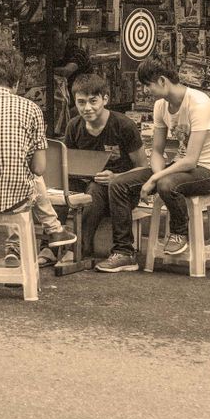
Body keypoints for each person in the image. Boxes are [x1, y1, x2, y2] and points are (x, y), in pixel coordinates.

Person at [0, 44, 76, 267]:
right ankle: (53, 229)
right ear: (18, 82)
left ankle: (15, 247)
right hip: (16, 193)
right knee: (28, 178)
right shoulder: (31, 109)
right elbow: (39, 168)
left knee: (12, 175)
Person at [123, 56, 210, 258]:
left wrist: (156, 178)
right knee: (121, 183)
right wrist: (157, 174)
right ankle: (122, 249)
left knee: (166, 184)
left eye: (148, 85)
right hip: (179, 168)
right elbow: (157, 151)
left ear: (163, 81)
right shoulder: (160, 106)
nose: (146, 90)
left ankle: (179, 232)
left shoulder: (199, 103)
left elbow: (191, 160)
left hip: (209, 172)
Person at [60, 73, 150, 272]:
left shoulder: (123, 125)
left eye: (93, 101)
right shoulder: (74, 126)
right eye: (81, 102)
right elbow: (69, 165)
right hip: (86, 186)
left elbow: (144, 168)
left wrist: (116, 177)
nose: (87, 108)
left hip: (120, 194)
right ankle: (50, 245)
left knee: (96, 188)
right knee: (58, 185)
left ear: (105, 99)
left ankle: (84, 248)